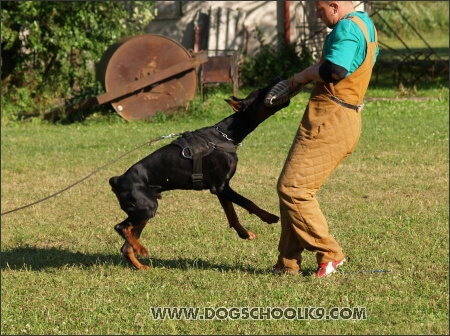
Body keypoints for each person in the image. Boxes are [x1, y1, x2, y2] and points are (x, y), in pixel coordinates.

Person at [273, 1, 379, 277]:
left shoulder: (346, 28)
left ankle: (330, 253)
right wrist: (298, 79)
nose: (318, 15)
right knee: (292, 186)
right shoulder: (364, 24)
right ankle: (287, 263)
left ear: (333, 6)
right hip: (341, 117)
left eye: (319, 9)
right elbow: (336, 63)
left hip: (330, 119)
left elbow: (335, 71)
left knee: (293, 189)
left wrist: (303, 76)